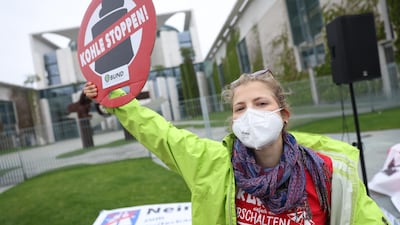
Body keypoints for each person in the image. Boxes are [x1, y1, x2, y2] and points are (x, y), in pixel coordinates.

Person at [83, 69, 389, 225]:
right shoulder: (212, 163)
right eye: (240, 108)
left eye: (260, 103)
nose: (250, 114)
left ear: (283, 114)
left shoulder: (327, 170)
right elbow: (160, 133)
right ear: (232, 121)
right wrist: (116, 99)